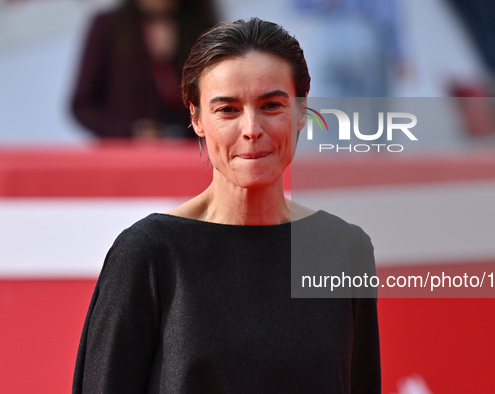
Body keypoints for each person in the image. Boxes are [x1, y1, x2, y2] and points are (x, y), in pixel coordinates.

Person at [72, 18, 381, 393]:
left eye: (271, 105)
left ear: (302, 113)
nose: (251, 128)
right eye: (228, 110)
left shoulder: (344, 249)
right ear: (196, 118)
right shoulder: (149, 253)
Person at [71, 0, 217, 139]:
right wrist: (130, 131)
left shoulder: (202, 30)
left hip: (187, 156)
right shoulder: (108, 27)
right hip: (124, 156)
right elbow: (82, 106)